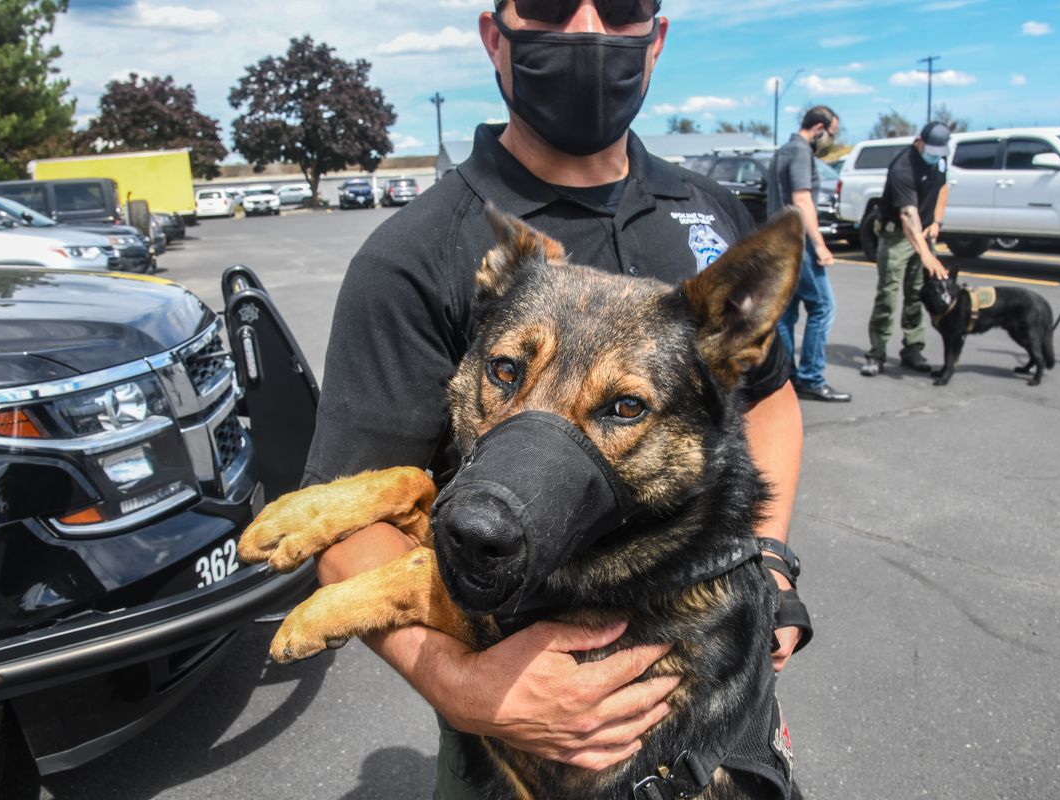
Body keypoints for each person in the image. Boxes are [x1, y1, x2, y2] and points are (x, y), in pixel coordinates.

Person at [304, 1, 809, 795]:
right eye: (545, 4)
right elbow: (343, 518)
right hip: (513, 742)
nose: (585, 29)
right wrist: (465, 690)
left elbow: (770, 398)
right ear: (493, 34)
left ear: (656, 36)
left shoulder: (709, 211)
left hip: (724, 715)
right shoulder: (414, 253)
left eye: (619, 7)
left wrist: (772, 562)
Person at [767, 105, 851, 403]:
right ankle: (811, 378)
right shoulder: (801, 152)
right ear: (818, 128)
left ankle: (785, 377)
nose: (830, 139)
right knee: (823, 307)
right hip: (799, 245)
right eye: (831, 133)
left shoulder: (783, 151)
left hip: (779, 245)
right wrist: (820, 245)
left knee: (786, 314)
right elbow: (802, 201)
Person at [861, 122, 952, 376]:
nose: (935, 156)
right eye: (931, 150)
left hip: (922, 233)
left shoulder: (940, 158)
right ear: (918, 141)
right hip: (898, 237)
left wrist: (937, 221)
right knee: (888, 295)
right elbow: (908, 216)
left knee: (916, 295)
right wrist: (927, 256)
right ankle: (876, 353)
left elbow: (944, 187)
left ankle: (913, 349)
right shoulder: (903, 167)